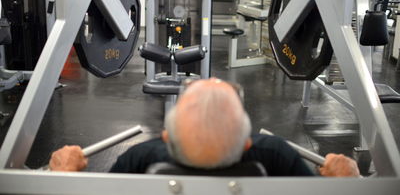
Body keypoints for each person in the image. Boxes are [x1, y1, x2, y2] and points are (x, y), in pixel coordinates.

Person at [49, 78, 360, 177]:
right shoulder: (274, 154)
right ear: (248, 143)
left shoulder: (141, 157)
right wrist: (345, 186)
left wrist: (63, 182)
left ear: (167, 139)